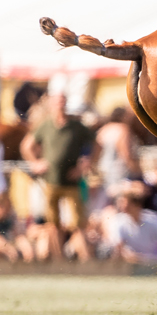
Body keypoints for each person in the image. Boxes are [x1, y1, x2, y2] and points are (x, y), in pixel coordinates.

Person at [20, 94, 94, 260]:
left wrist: (84, 165)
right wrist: (35, 163)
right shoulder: (46, 126)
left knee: (77, 223)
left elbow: (96, 143)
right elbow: (27, 146)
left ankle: (86, 260)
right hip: (51, 181)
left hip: (72, 182)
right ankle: (59, 261)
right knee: (53, 224)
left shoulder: (76, 126)